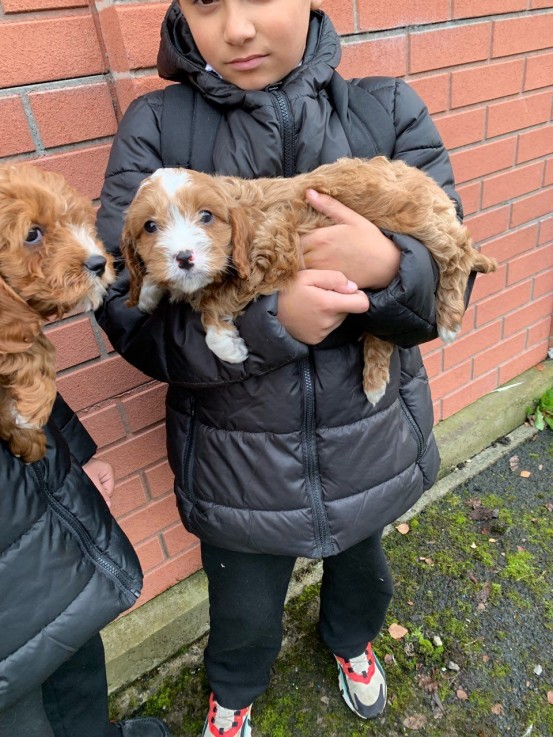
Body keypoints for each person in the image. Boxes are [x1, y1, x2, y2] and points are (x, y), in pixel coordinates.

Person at [95, 1, 469, 735]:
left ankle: (351, 641)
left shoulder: (386, 111)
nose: (236, 28)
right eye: (206, 1)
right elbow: (127, 316)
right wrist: (272, 324)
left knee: (362, 569)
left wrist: (391, 267)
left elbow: (448, 275)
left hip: (368, 441)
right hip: (237, 469)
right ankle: (233, 690)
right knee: (241, 605)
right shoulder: (156, 128)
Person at [0, 393, 172, 737]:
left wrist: (75, 453)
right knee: (17, 712)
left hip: (39, 526)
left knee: (76, 650)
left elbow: (16, 361)